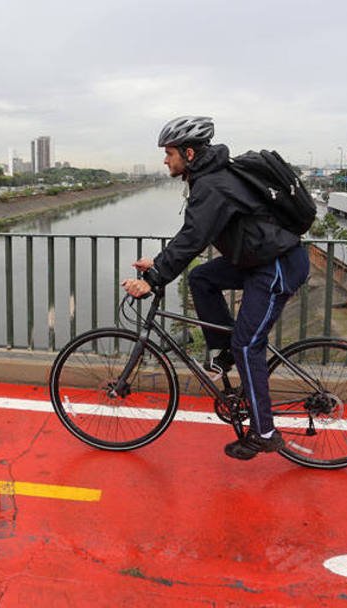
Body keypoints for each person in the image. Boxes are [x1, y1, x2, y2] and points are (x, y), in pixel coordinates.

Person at [121, 116, 310, 461]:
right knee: (201, 278)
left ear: (188, 153)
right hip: (256, 261)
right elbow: (192, 233)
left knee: (249, 345)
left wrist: (151, 281)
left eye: (169, 153)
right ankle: (223, 351)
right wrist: (159, 264)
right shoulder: (208, 179)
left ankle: (264, 432)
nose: (165, 160)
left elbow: (193, 238)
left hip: (277, 266)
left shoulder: (212, 185)